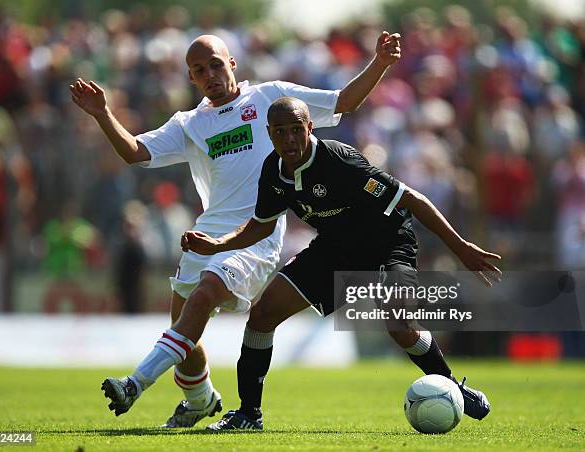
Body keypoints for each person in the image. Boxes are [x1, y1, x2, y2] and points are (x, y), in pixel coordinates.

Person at [69, 32, 402, 427]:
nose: (209, 74)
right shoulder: (190, 123)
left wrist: (379, 63)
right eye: (198, 70)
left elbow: (343, 102)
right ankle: (200, 400)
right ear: (191, 79)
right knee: (184, 331)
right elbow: (135, 153)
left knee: (207, 291)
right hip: (206, 232)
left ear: (232, 64)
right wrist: (102, 114)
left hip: (256, 234)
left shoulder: (268, 98)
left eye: (214, 64)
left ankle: (135, 383)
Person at [181, 97, 501, 430]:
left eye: (295, 130)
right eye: (280, 132)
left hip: (388, 242)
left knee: (399, 325)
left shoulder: (340, 160)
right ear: (269, 133)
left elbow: (410, 199)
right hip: (336, 249)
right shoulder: (273, 170)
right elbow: (261, 224)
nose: (289, 139)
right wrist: (217, 244)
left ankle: (451, 386)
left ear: (309, 128)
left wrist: (460, 248)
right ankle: (249, 414)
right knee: (263, 314)